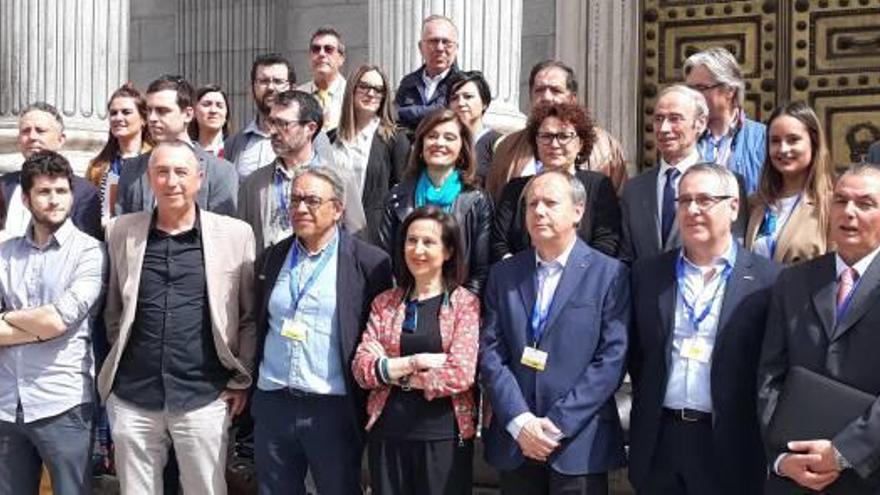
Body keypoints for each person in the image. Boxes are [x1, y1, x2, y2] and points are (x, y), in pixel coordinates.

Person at [99, 141, 256, 495]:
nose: (172, 181)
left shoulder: (235, 234)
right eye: (162, 172)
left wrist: (240, 377)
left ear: (199, 178)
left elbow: (247, 316)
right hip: (133, 394)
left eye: (181, 172)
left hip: (204, 393)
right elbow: (113, 310)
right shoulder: (121, 231)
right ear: (149, 179)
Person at [628, 163, 780, 494]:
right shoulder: (647, 275)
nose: (692, 210)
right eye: (684, 201)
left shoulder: (770, 281)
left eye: (704, 200)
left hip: (728, 442)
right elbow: (638, 356)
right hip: (659, 440)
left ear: (734, 206)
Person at [480, 169, 628, 494]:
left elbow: (611, 359)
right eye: (532, 204)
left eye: (550, 202)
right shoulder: (504, 275)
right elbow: (491, 353)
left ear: (578, 211)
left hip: (579, 444)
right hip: (516, 441)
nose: (539, 211)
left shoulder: (609, 275)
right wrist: (520, 421)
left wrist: (557, 424)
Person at [251, 166, 393, 495]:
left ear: (338, 208)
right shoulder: (271, 258)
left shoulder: (370, 264)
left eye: (312, 200)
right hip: (275, 401)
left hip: (332, 406)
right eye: (295, 199)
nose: (300, 208)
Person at [758, 163, 880, 494]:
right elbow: (770, 376)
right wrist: (782, 457)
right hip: (795, 476)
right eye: (840, 201)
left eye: (865, 203)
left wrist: (842, 453)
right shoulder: (793, 281)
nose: (849, 212)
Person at [353, 206, 480, 495]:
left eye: (428, 242)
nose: (417, 249)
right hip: (388, 431)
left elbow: (460, 374)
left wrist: (390, 369)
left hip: (444, 435)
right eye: (411, 240)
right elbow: (362, 368)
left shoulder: (465, 304)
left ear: (448, 251)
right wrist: (417, 362)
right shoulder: (384, 303)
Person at [0, 151, 106, 495]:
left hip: (63, 403)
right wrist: (37, 325)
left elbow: (59, 320)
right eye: (44, 192)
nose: (54, 200)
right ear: (27, 199)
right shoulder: (5, 253)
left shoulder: (89, 252)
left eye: (62, 191)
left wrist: (7, 320)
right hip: (6, 403)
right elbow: (45, 322)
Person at [620, 84, 747, 264]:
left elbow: (734, 250)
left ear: (700, 123)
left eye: (675, 119)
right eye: (658, 118)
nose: (664, 128)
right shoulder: (635, 189)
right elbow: (626, 257)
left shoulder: (726, 182)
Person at [237, 90, 366, 257]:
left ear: (310, 128)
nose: (274, 131)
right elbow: (243, 244)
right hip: (272, 277)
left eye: (283, 124)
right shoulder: (254, 183)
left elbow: (358, 239)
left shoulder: (341, 179)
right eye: (271, 122)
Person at [379, 109, 492, 295]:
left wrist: (460, 308)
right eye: (432, 136)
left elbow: (480, 270)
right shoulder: (397, 197)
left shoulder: (476, 200)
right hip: (406, 302)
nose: (439, 143)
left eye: (449, 137)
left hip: (458, 309)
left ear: (462, 148)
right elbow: (387, 262)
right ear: (421, 145)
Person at [491, 101, 621, 261]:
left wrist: (578, 272)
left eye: (564, 136)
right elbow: (498, 243)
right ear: (535, 142)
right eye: (546, 136)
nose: (554, 144)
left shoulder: (598, 186)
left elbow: (607, 240)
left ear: (580, 143)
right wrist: (519, 270)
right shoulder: (515, 188)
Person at [486, 60, 628, 199]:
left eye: (555, 90)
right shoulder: (508, 147)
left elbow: (620, 203)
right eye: (539, 90)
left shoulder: (606, 147)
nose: (546, 97)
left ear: (572, 99)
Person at [115, 75, 238, 216]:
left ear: (187, 114)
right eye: (149, 110)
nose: (152, 118)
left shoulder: (221, 171)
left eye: (162, 111)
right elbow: (122, 227)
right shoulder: (132, 168)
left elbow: (223, 231)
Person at [745, 101, 835, 264]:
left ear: (813, 143)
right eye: (775, 141)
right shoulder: (754, 204)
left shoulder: (830, 205)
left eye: (793, 140)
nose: (783, 149)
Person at [329, 64, 410, 243]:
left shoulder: (395, 139)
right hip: (331, 232)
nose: (371, 94)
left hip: (373, 236)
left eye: (378, 89)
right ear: (352, 89)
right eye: (364, 86)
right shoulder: (331, 138)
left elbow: (404, 195)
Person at [0, 102, 101, 240]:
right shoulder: (3, 185)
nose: (32, 137)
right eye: (25, 131)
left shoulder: (86, 193)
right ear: (19, 140)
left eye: (40, 131)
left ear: (60, 140)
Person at [684, 47, 766, 194]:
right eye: (689, 90)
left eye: (701, 88)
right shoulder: (685, 137)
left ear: (730, 90)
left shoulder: (763, 138)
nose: (692, 96)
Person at [86, 83, 154, 227]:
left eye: (126, 112)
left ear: (143, 119)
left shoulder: (155, 160)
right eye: (113, 113)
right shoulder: (97, 166)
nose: (118, 118)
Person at [224, 53, 294, 179]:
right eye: (264, 81)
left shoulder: (312, 137)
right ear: (252, 89)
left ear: (293, 88)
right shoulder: (234, 144)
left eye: (278, 81)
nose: (271, 87)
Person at [395, 15, 462, 134]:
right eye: (433, 41)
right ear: (421, 47)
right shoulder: (408, 82)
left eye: (446, 42)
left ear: (456, 48)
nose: (440, 48)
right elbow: (392, 115)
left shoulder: (462, 84)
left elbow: (444, 113)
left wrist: (405, 113)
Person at [446, 70, 501, 183]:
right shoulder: (443, 142)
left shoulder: (497, 143)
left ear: (484, 103)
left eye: (468, 97)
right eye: (454, 98)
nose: (460, 103)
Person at [298, 26, 347, 132]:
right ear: (310, 56)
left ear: (341, 59)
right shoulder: (298, 96)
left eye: (329, 49)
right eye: (316, 49)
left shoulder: (352, 94)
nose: (321, 54)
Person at [188, 84, 231, 157]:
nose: (213, 110)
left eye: (219, 106)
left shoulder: (236, 152)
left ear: (226, 115)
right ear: (194, 112)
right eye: (206, 104)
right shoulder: (184, 152)